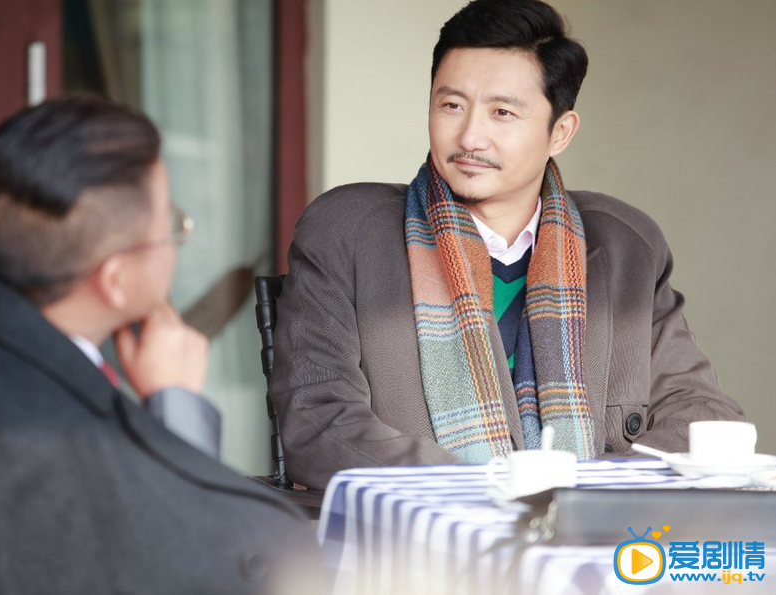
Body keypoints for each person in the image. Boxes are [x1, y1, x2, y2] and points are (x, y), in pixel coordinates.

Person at [271, 0, 744, 490]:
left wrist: (581, 490)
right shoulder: (348, 232)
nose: (470, 136)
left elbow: (703, 414)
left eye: (502, 112)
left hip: (595, 531)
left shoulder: (627, 246)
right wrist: (491, 491)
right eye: (451, 106)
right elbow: (318, 421)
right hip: (419, 531)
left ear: (559, 132)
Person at [0, 96, 323, 595]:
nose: (176, 241)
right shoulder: (44, 456)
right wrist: (177, 406)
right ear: (115, 279)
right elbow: (222, 557)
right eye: (171, 225)